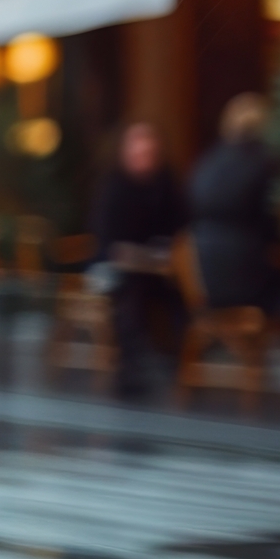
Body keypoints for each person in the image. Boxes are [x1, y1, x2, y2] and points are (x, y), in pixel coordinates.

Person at [90, 121, 186, 398]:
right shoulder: (113, 187)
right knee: (129, 297)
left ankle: (176, 365)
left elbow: (178, 227)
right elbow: (108, 241)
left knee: (180, 295)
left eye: (150, 152)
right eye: (139, 151)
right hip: (115, 268)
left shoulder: (166, 184)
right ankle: (131, 371)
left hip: (156, 268)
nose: (145, 157)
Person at [188, 94, 280, 311]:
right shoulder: (264, 163)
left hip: (205, 278)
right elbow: (270, 225)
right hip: (247, 279)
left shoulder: (207, 161)